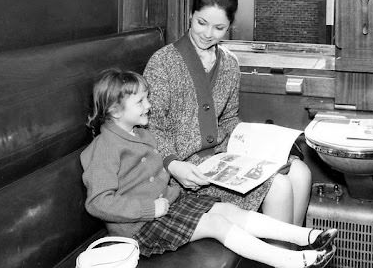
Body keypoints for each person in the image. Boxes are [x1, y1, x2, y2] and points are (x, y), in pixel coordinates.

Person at [80, 69, 337, 267]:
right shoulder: (104, 148)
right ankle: (290, 262)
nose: (148, 105)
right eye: (140, 102)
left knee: (228, 210)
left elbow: (152, 175)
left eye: (147, 98)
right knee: (216, 224)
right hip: (141, 226)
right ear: (114, 110)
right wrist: (150, 208)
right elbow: (99, 203)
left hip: (170, 205)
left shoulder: (141, 134)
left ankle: (307, 237)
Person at [143, 0, 312, 226]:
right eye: (202, 23)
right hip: (185, 171)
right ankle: (282, 257)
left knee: (301, 173)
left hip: (224, 158)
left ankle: (294, 253)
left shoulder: (230, 63)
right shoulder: (162, 63)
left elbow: (230, 119)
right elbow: (152, 127)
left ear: (229, 26)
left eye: (219, 28)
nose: (208, 34)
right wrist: (172, 164)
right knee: (280, 187)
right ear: (191, 14)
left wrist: (264, 146)